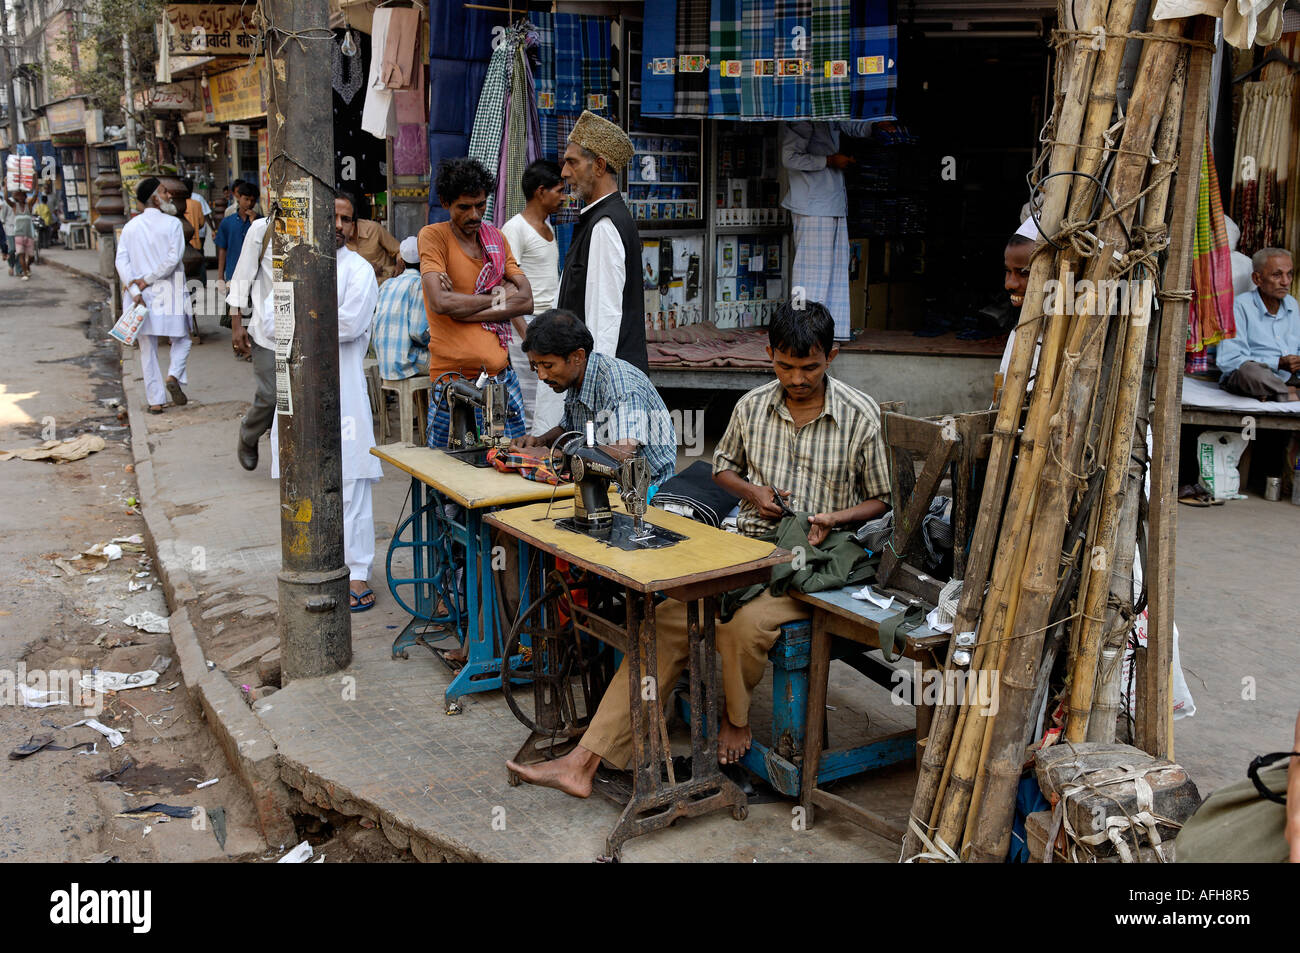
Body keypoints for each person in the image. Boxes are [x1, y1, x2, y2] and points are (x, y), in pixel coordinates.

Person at [508, 301, 892, 795]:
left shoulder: (860, 415)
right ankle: (585, 762)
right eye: (785, 365)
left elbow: (881, 500)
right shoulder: (753, 406)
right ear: (768, 354)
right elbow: (722, 469)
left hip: (815, 561)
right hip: (750, 546)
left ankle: (736, 723)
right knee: (667, 619)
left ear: (832, 356)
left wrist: (833, 519)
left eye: (810, 367)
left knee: (741, 627)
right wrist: (754, 494)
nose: (796, 379)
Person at [269, 191, 382, 611]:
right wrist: (308, 320)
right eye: (332, 216)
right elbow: (268, 323)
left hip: (344, 394)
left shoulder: (360, 271)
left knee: (351, 483)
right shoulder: (291, 266)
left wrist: (298, 316)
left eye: (346, 219)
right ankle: (309, 561)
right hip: (298, 390)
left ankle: (356, 573)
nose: (338, 225)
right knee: (303, 479)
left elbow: (350, 324)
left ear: (354, 227)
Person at [417, 157, 533, 449]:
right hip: (452, 382)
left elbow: (527, 300)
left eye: (480, 205)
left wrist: (466, 306)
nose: (475, 214)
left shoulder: (495, 239)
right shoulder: (434, 237)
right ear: (445, 202)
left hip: (501, 380)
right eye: (464, 207)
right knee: (447, 477)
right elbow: (440, 301)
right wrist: (498, 294)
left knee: (511, 469)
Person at [510, 309, 676, 487]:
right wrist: (539, 441)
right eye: (536, 366)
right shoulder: (577, 377)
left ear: (578, 356)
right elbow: (569, 430)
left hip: (648, 491)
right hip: (607, 480)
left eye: (548, 365)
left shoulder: (619, 384)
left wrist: (556, 455)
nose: (541, 375)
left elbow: (623, 452)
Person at [555, 111, 648, 373]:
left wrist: (595, 389)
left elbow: (603, 322)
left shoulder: (605, 226)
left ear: (598, 165)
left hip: (602, 385)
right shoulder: (598, 219)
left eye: (572, 162)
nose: (564, 172)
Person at [780, 121, 875, 341]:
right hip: (813, 206)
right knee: (809, 273)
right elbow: (789, 157)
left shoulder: (831, 114)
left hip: (831, 203)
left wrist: (877, 124)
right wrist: (829, 160)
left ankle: (830, 331)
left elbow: (851, 125)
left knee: (835, 271)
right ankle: (802, 331)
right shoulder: (803, 118)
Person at [115, 177, 192, 414]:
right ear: (155, 198)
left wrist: (137, 289)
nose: (169, 196)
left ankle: (155, 401)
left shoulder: (130, 227)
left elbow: (122, 261)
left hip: (141, 297)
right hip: (168, 291)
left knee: (147, 350)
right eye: (164, 192)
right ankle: (173, 375)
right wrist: (147, 281)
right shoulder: (173, 224)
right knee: (183, 339)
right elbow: (173, 259)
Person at [501, 159, 565, 434]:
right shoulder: (515, 229)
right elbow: (506, 289)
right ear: (541, 191)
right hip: (524, 325)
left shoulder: (549, 229)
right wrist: (527, 336)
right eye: (559, 191)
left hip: (548, 323)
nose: (564, 197)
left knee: (548, 397)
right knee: (529, 402)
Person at [1217, 247, 1299, 402]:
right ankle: (1288, 393)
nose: (1285, 281)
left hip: (1288, 378)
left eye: (1289, 274)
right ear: (1257, 279)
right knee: (1249, 372)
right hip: (1252, 376)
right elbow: (1228, 360)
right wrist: (1277, 363)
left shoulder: (1292, 304)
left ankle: (1276, 393)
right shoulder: (1240, 306)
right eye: (1277, 275)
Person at [227, 212, 275, 470]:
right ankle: (248, 434)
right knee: (271, 395)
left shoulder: (319, 223)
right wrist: (237, 324)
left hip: (307, 333)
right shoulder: (262, 229)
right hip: (267, 332)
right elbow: (242, 275)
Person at [371, 236, 429, 381]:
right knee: (449, 364)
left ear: (401, 262)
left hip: (384, 361)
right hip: (405, 362)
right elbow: (418, 332)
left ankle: (419, 404)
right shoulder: (419, 284)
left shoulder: (387, 284)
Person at [347, 199, 405, 285]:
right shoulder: (336, 242)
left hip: (387, 286)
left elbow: (399, 250)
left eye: (345, 220)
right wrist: (368, 270)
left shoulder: (373, 229)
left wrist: (400, 265)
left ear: (353, 222)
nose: (339, 226)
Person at [215, 180, 259, 286]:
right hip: (233, 273)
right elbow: (222, 250)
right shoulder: (227, 222)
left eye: (252, 201)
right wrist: (220, 277)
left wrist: (254, 223)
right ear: (238, 197)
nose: (249, 204)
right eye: (246, 199)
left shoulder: (260, 222)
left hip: (255, 275)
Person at [2, 185, 37, 280]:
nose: (20, 197)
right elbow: (3, 215)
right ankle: (17, 268)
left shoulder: (27, 205)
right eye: (17, 195)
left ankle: (22, 268)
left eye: (22, 195)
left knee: (26, 255)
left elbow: (35, 196)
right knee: (13, 250)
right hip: (13, 231)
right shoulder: (11, 205)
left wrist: (36, 183)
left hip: (26, 233)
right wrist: (5, 186)